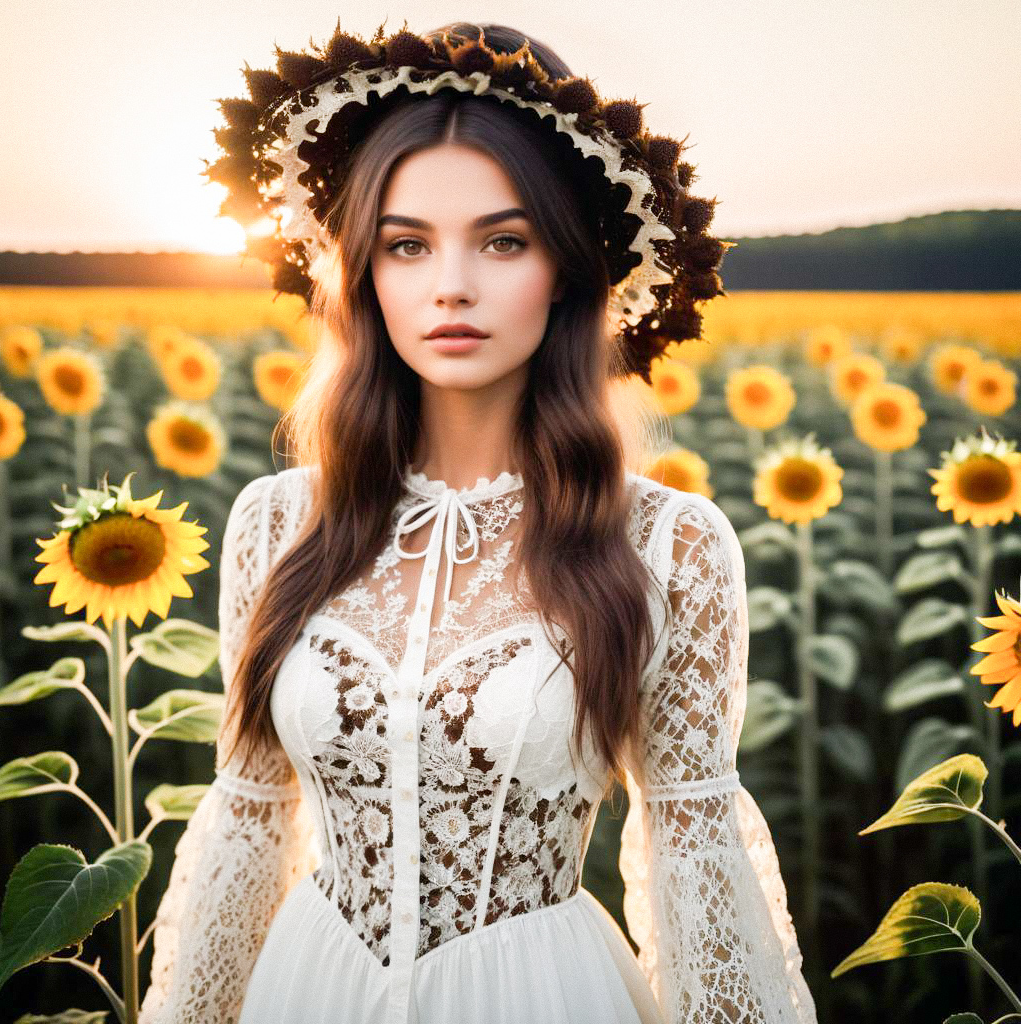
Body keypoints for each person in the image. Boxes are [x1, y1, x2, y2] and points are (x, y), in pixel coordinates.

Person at [138, 19, 817, 1024]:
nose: (450, 284)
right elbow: (248, 821)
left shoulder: (667, 544)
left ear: (572, 269)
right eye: (406, 245)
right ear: (363, 272)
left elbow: (692, 852)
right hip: (311, 986)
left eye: (504, 241)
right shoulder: (274, 522)